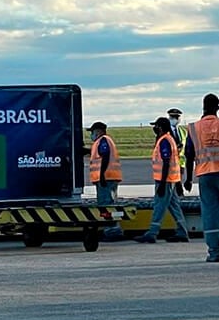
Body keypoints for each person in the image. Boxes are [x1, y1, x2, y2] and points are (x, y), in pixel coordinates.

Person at [134, 116, 190, 244]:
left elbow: (166, 162)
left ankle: (152, 233)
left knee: (159, 206)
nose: (154, 128)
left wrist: (163, 183)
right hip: (171, 179)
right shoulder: (168, 139)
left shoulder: (164, 141)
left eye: (156, 126)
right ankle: (182, 232)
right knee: (174, 206)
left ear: (160, 127)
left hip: (165, 180)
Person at [184, 93, 219, 262]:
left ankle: (214, 251)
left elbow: (189, 155)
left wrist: (188, 179)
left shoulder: (193, 128)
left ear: (203, 107)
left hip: (205, 174)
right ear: (217, 107)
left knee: (210, 212)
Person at [85, 121, 125, 241]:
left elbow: (105, 156)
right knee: (109, 204)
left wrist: (102, 175)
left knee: (106, 205)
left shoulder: (103, 141)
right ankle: (112, 230)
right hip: (109, 178)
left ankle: (113, 231)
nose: (92, 134)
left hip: (107, 178)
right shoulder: (102, 141)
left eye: (92, 132)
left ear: (98, 131)